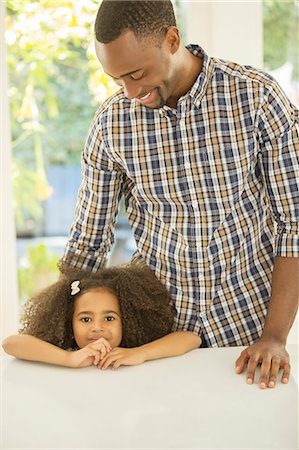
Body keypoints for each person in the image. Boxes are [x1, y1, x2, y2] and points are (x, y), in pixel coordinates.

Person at [62, 0, 299, 387]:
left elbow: (294, 224)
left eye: (137, 73)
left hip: (249, 332)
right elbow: (87, 242)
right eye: (117, 80)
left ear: (172, 39)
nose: (131, 91)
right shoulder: (111, 124)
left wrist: (274, 337)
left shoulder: (255, 97)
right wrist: (62, 330)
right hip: (155, 333)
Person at [2, 264, 201, 368]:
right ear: (69, 323)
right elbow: (10, 343)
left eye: (109, 318)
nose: (97, 328)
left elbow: (191, 339)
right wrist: (69, 359)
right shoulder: (67, 348)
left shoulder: (131, 348)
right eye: (85, 319)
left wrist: (140, 353)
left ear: (127, 321)